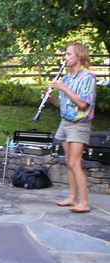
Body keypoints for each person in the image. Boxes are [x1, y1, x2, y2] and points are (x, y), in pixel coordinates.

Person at [46, 42, 96, 213]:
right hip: (65, 122)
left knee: (75, 162)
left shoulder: (87, 77)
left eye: (68, 54)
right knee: (68, 161)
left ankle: (84, 202)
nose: (65, 58)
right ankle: (72, 197)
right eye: (65, 54)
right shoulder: (66, 78)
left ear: (79, 56)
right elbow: (64, 104)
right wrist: (50, 99)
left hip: (79, 123)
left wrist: (63, 88)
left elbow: (82, 103)